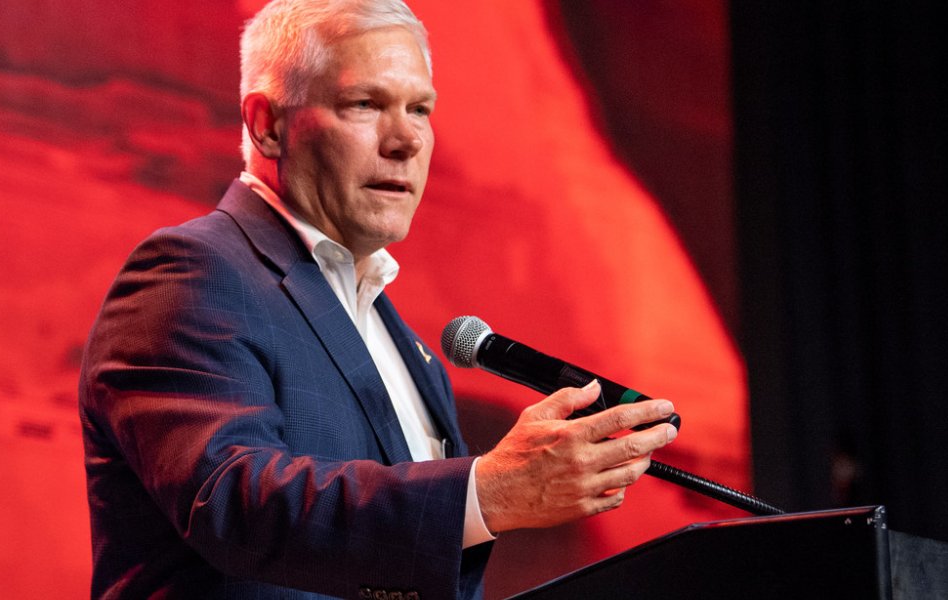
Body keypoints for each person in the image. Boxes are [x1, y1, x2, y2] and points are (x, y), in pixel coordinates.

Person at [78, 1, 679, 598]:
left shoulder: (412, 352)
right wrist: (488, 492)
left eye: (420, 109)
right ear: (267, 124)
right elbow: (233, 502)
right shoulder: (192, 272)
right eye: (364, 104)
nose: (406, 140)